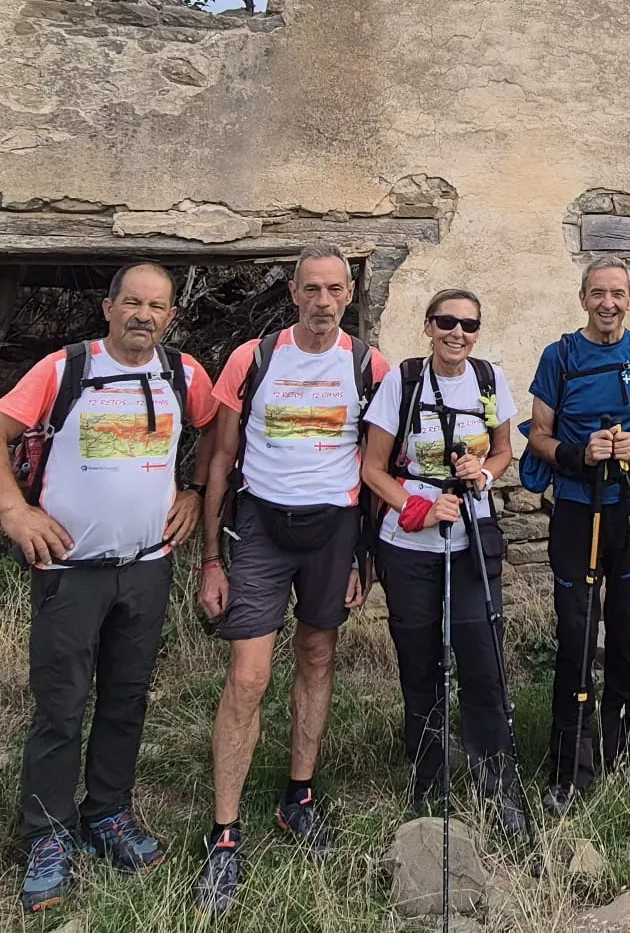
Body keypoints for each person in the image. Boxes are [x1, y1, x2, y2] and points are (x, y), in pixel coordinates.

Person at [0, 262, 220, 915]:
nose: (142, 315)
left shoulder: (184, 375)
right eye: (131, 302)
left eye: (155, 307)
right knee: (61, 705)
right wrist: (15, 513)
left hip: (148, 565)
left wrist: (194, 490)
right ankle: (48, 833)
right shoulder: (65, 369)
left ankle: (107, 813)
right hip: (69, 570)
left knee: (127, 698)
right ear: (108, 308)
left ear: (171, 317)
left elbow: (221, 428)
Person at [194, 244, 389, 914]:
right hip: (261, 527)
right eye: (311, 288)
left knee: (317, 655)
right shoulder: (253, 359)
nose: (323, 301)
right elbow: (221, 459)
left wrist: (364, 557)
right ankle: (224, 831)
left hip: (333, 530)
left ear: (349, 296)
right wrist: (211, 559)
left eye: (335, 289)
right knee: (248, 677)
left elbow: (376, 463)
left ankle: (298, 796)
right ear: (294, 293)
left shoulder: (369, 365)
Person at [361, 288, 529, 836]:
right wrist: (421, 508)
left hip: (473, 537)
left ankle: (495, 782)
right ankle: (429, 778)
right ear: (429, 326)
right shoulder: (403, 381)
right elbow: (373, 468)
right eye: (447, 322)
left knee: (482, 660)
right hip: (409, 545)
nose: (458, 332)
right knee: (420, 661)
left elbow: (502, 450)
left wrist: (484, 474)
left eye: (468, 324)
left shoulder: (488, 379)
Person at [526, 256, 630, 814]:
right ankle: (571, 761)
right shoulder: (559, 356)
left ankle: (626, 747)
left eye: (617, 294)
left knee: (628, 621)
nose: (607, 303)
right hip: (576, 505)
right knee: (577, 628)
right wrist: (577, 453)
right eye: (597, 293)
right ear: (583, 298)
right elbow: (539, 435)